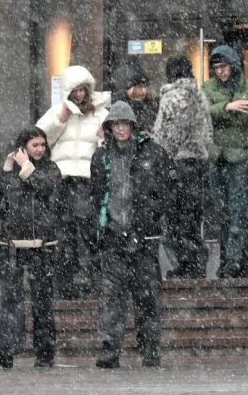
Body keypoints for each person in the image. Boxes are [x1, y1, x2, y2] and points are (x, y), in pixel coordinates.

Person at [91, 101, 172, 368]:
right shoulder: (101, 157)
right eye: (116, 124)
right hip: (113, 236)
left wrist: (151, 219)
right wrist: (101, 228)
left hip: (144, 238)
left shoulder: (153, 153)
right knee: (112, 298)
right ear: (109, 127)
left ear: (133, 126)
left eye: (125, 123)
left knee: (147, 297)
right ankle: (110, 350)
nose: (121, 128)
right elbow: (96, 195)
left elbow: (167, 190)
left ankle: (150, 350)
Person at [0, 127, 61, 369]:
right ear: (23, 147)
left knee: (42, 301)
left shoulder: (50, 169)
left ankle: (45, 353)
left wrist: (27, 167)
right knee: (11, 299)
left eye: (42, 144)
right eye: (35, 145)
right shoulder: (6, 171)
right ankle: (7, 349)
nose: (40, 149)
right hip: (10, 246)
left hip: (42, 246)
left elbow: (47, 189)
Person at [36, 65, 110, 299]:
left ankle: (89, 278)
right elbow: (38, 139)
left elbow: (108, 148)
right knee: (64, 233)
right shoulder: (58, 112)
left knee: (87, 231)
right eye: (75, 90)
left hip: (87, 181)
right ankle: (66, 282)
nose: (79, 95)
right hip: (62, 180)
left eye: (82, 90)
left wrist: (102, 140)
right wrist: (60, 119)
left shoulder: (100, 114)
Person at [152, 55, 214, 279]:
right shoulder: (199, 96)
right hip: (198, 163)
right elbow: (207, 132)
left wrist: (159, 153)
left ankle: (187, 263)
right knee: (192, 217)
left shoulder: (173, 97)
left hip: (178, 164)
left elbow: (168, 135)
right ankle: (196, 262)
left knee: (177, 217)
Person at [202, 45, 248, 278]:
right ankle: (226, 258)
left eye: (224, 67)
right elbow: (204, 111)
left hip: (240, 153)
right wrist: (227, 107)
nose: (220, 72)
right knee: (220, 210)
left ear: (233, 66)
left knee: (238, 208)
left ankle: (235, 258)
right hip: (217, 155)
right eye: (216, 68)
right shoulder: (208, 87)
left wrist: (222, 111)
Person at [117, 69, 158, 135]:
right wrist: (126, 95)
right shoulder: (122, 103)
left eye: (145, 87)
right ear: (132, 88)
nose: (143, 91)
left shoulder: (151, 104)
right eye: (139, 87)